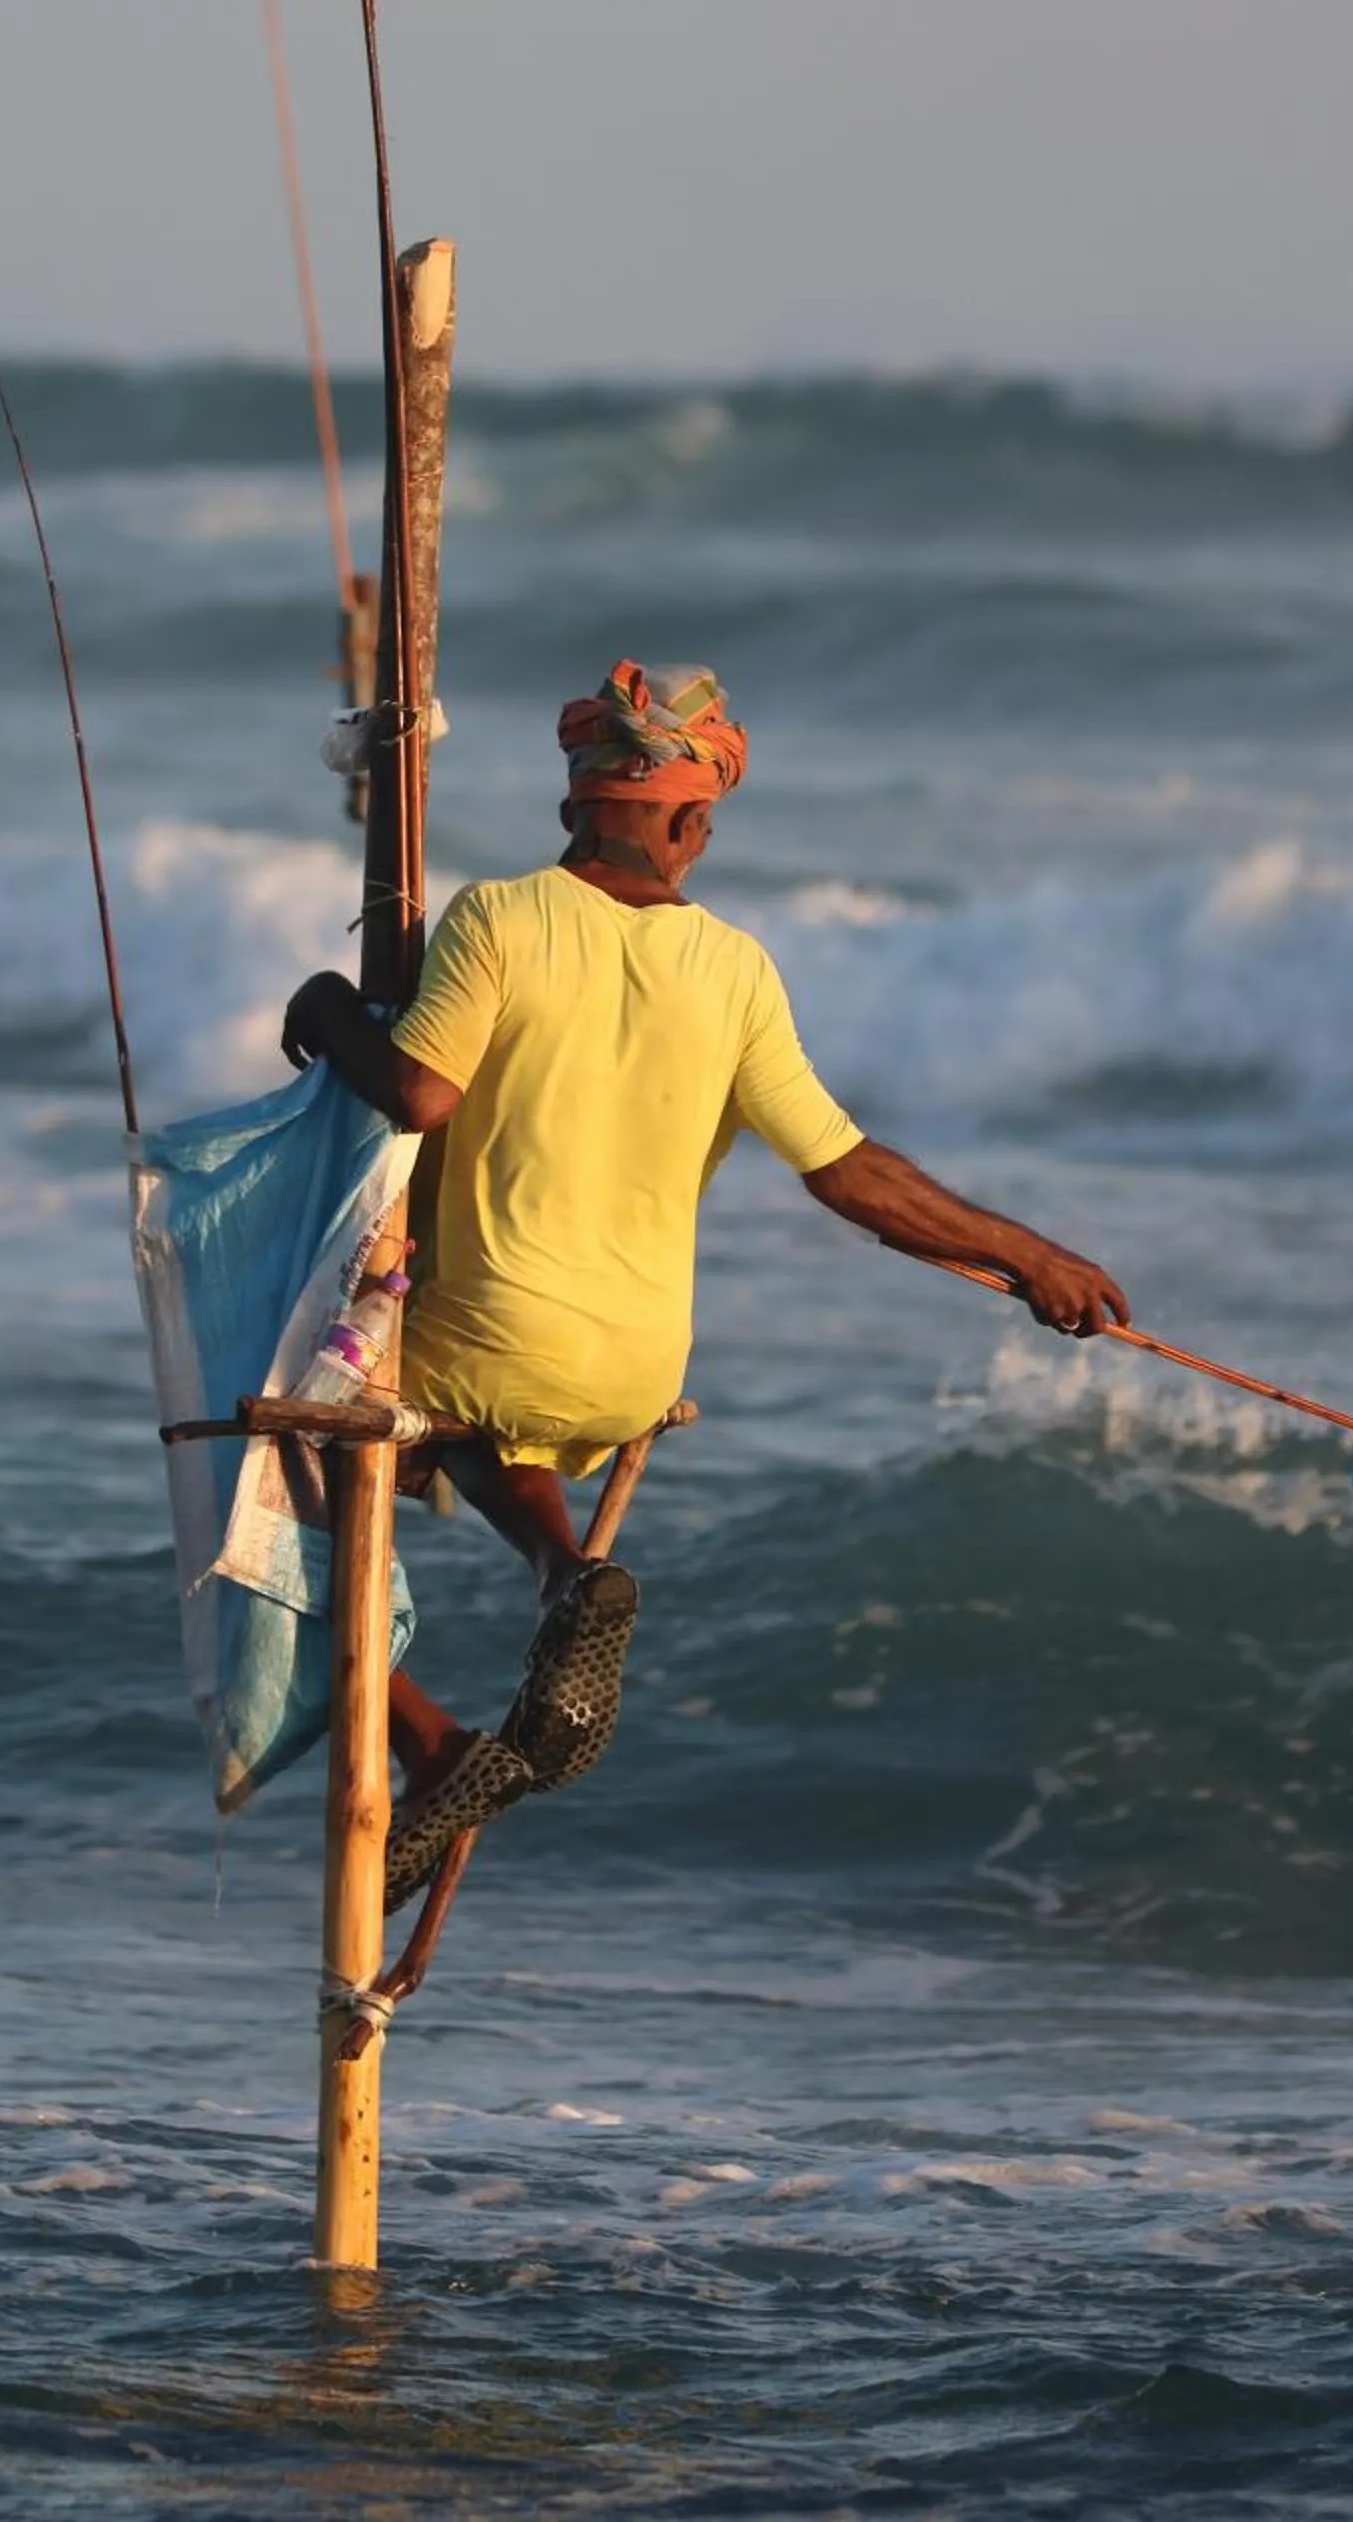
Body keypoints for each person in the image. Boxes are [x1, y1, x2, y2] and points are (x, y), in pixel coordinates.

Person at [281, 659, 1126, 1910]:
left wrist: (325, 1008)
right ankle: (563, 1576)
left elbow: (417, 1093)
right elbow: (847, 1173)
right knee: (489, 1414)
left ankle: (427, 1735)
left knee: (273, 1474)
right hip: (632, 1367)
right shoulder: (734, 970)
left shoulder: (500, 917)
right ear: (688, 822)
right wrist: (1028, 1257)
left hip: (481, 1338)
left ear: (575, 806)